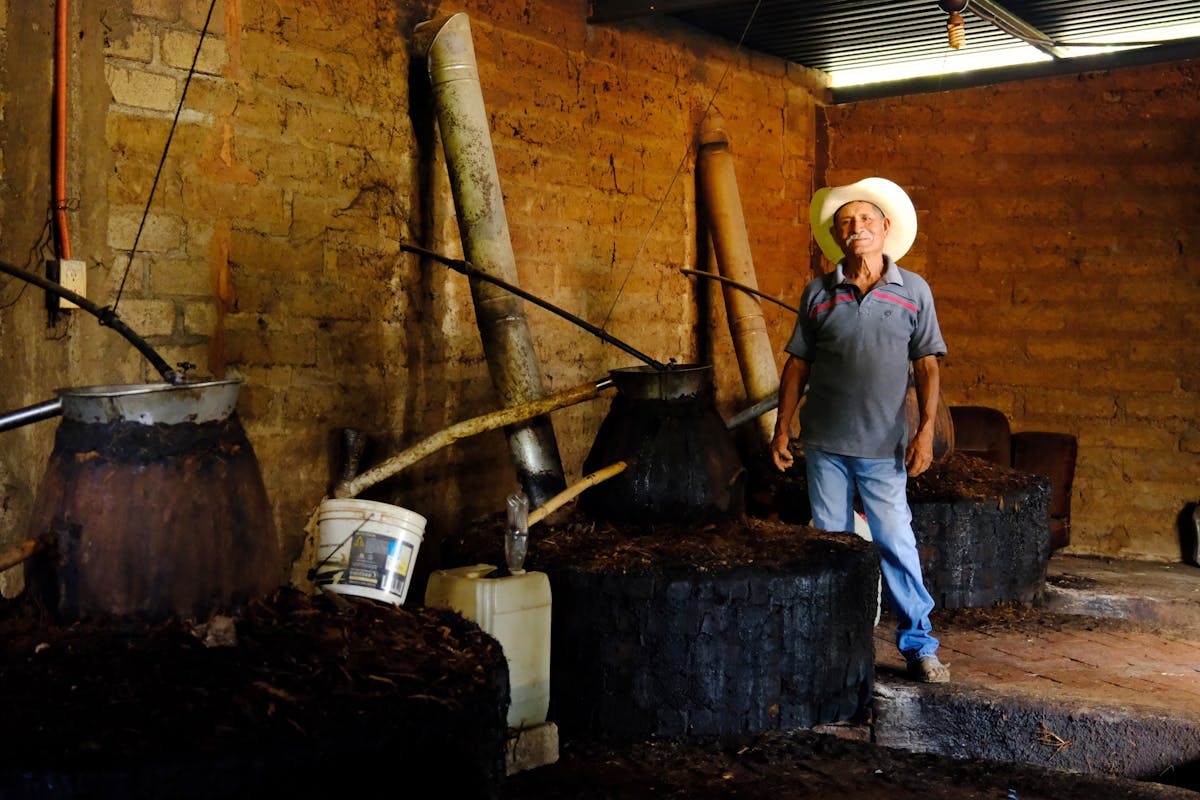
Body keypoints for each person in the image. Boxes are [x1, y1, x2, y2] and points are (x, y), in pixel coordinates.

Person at [770, 176, 950, 684]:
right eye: (846, 222)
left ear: (885, 227)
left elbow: (928, 367)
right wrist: (782, 428)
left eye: (866, 219)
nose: (857, 228)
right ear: (837, 234)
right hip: (824, 444)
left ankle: (919, 645)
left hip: (883, 447)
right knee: (831, 543)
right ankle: (836, 644)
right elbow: (797, 367)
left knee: (896, 541)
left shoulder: (912, 291)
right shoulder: (818, 294)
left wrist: (926, 433)